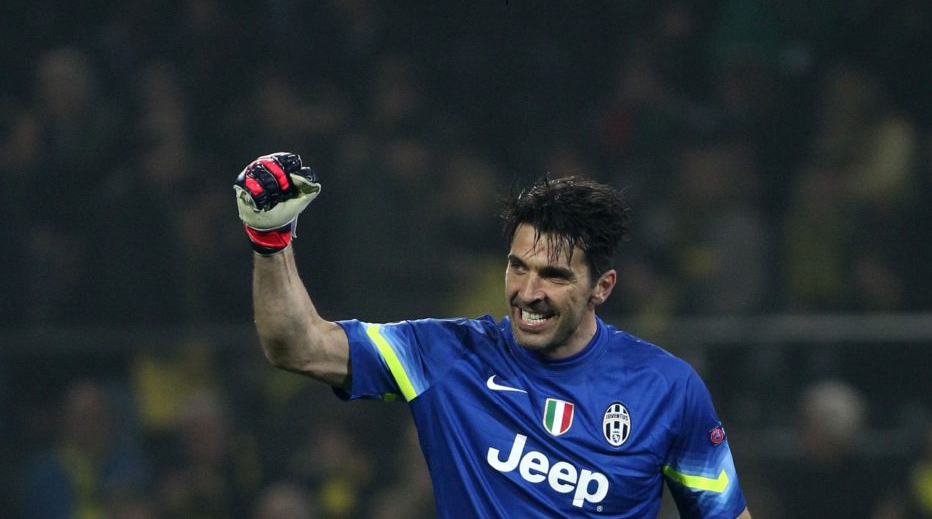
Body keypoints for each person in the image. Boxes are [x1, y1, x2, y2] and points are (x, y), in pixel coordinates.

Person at [233, 152, 751, 518]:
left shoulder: (668, 389)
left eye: (554, 276)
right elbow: (298, 346)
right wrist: (270, 240)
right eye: (518, 267)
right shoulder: (445, 356)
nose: (528, 292)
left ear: (602, 287)